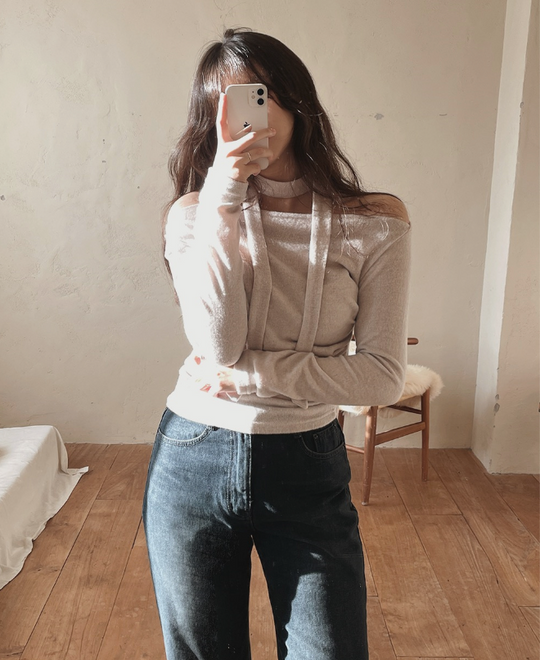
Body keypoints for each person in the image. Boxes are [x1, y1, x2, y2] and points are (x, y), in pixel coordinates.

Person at [143, 27, 411, 660]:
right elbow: (219, 346)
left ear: (294, 98)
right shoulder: (193, 214)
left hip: (307, 458)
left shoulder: (375, 221)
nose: (246, 120)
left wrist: (253, 375)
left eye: (257, 96)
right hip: (193, 455)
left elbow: (381, 377)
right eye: (227, 106)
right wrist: (223, 195)